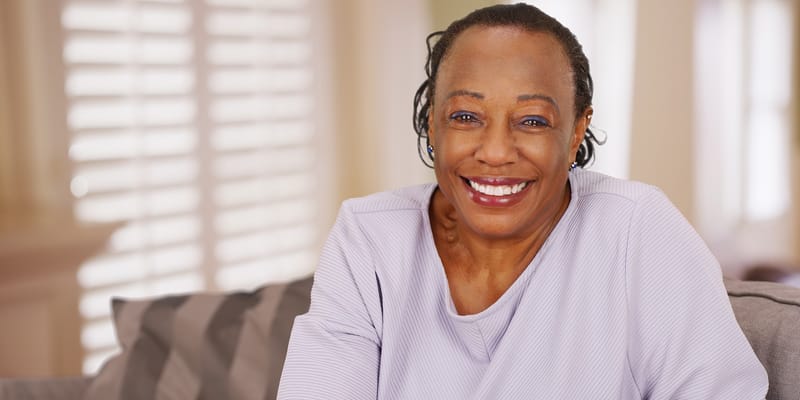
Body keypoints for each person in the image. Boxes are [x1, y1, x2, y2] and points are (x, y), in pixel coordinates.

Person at [278, 3, 768, 399]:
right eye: (466, 116)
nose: (493, 152)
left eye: (532, 120)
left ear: (577, 130)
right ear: (432, 124)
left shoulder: (636, 229)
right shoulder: (368, 238)